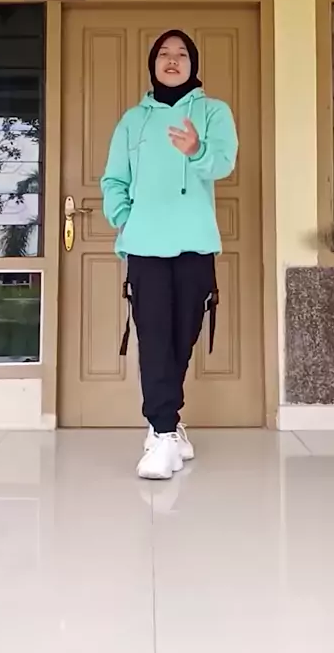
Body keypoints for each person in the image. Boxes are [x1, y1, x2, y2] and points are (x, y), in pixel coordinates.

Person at [101, 30, 238, 480]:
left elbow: (224, 163)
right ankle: (162, 433)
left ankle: (169, 421)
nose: (172, 60)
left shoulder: (213, 112)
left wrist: (196, 149)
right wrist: (126, 219)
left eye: (182, 54)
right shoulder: (132, 121)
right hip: (145, 244)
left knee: (183, 336)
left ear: (193, 64)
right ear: (153, 64)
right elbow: (114, 180)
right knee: (155, 337)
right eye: (164, 53)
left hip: (195, 240)